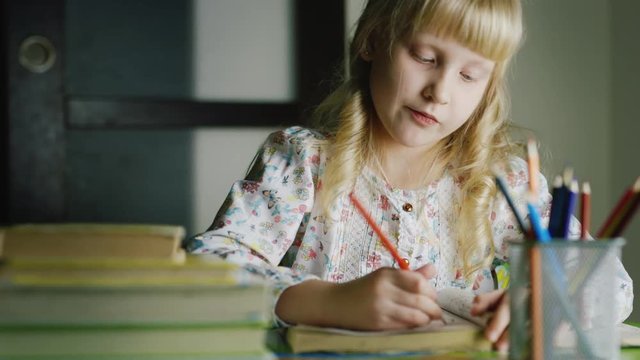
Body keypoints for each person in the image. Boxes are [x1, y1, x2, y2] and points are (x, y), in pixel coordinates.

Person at [185, 0, 633, 352]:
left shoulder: (502, 183)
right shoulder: (303, 161)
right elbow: (206, 267)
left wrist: (546, 303)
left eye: (470, 75)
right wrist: (327, 302)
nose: (439, 92)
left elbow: (610, 284)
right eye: (425, 57)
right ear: (373, 40)